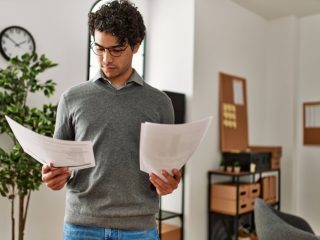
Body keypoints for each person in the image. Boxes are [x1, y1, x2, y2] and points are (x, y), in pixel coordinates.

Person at [41, 1, 181, 239]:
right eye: (99, 48)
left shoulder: (160, 103)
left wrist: (170, 182)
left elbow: (168, 169)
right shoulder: (72, 98)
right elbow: (57, 164)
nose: (106, 58)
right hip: (81, 227)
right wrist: (52, 178)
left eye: (116, 49)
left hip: (139, 229)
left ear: (136, 45)